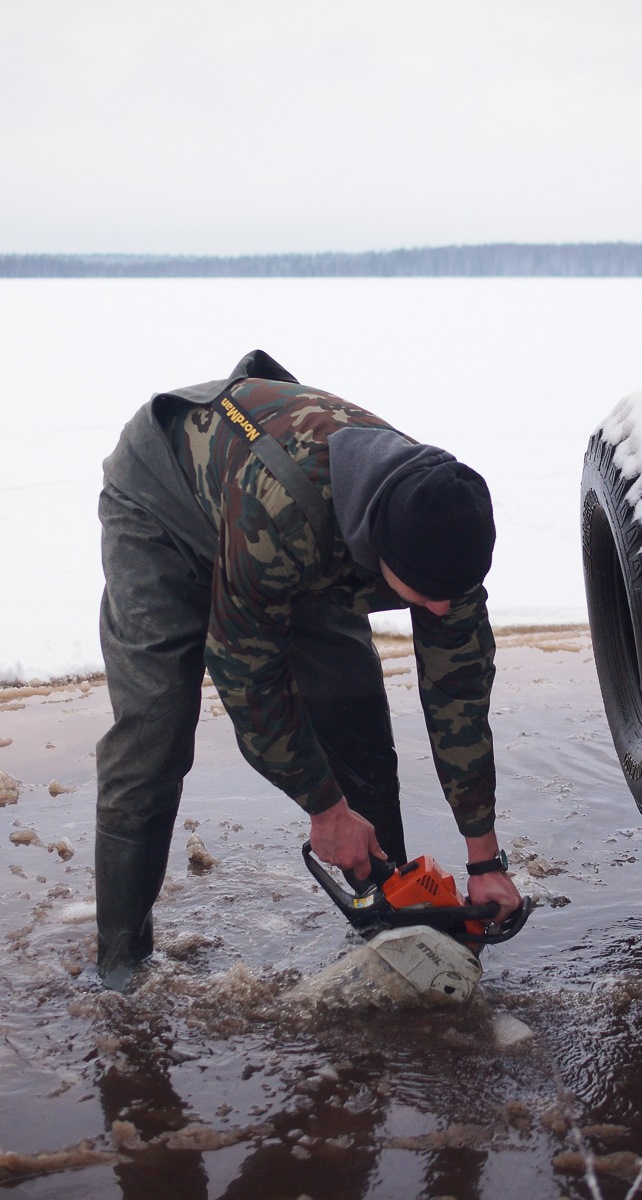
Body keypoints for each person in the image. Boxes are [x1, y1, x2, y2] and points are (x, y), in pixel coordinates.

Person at [95, 349, 522, 990]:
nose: (439, 608)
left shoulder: (442, 526)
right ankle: (120, 965)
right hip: (164, 504)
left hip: (291, 525)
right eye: (426, 594)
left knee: (353, 713)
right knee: (155, 733)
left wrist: (484, 855)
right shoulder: (287, 521)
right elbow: (248, 680)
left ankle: (397, 921)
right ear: (380, 551)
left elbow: (458, 693)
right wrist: (325, 809)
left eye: (450, 594)